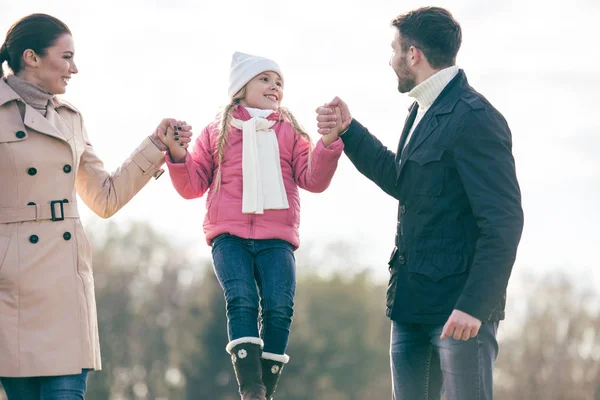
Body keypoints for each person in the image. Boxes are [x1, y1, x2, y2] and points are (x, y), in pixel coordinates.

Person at [316, 7, 524, 400]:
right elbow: (403, 181)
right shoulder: (421, 110)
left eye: (394, 49)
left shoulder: (476, 117)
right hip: (411, 306)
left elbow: (504, 222)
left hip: (460, 314)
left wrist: (475, 306)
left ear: (413, 54)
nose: (390, 59)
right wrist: (349, 131)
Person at [0, 13, 191, 399]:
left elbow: (104, 198)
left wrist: (155, 145)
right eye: (66, 57)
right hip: (9, 293)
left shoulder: (71, 120)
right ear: (32, 57)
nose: (75, 69)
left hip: (66, 291)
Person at [164, 51, 343, 399]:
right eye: (265, 79)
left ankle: (265, 389)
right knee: (241, 299)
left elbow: (313, 178)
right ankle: (250, 387)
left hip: (277, 238)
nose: (274, 87)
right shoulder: (217, 130)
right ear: (240, 87)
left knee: (279, 306)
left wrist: (328, 143)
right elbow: (192, 184)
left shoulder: (289, 131)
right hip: (228, 235)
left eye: (279, 82)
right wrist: (178, 155)